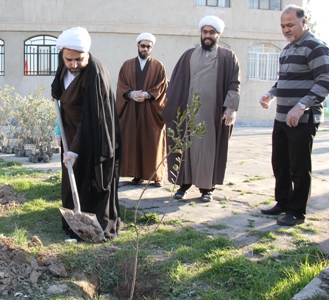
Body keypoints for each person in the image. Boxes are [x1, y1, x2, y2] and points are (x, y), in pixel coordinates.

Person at [259, 5, 329, 226]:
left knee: (299, 166)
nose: (286, 29)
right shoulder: (287, 50)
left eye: (290, 25)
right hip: (281, 118)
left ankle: (297, 212)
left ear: (303, 21)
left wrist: (301, 106)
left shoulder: (316, 47)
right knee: (279, 163)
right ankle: (283, 202)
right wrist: (270, 94)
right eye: (282, 26)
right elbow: (284, 80)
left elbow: (325, 80)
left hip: (302, 119)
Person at [51, 27, 122, 240]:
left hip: (93, 134)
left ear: (87, 54)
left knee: (93, 177)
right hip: (70, 130)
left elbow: (91, 119)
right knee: (72, 174)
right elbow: (59, 91)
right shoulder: (64, 65)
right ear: (62, 54)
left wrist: (74, 149)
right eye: (69, 59)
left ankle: (97, 221)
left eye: (79, 60)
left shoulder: (95, 75)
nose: (73, 64)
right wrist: (59, 130)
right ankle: (74, 216)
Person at [163, 16, 240, 202]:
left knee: (208, 150)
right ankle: (184, 185)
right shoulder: (189, 55)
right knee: (185, 148)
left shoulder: (228, 57)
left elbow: (234, 84)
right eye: (205, 32)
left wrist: (231, 107)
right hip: (189, 114)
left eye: (212, 32)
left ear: (218, 35)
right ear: (201, 33)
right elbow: (177, 83)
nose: (208, 36)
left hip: (212, 114)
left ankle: (207, 189)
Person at [116, 33, 168, 187]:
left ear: (152, 48)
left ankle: (156, 176)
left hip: (150, 111)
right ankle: (136, 175)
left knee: (152, 142)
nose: (145, 49)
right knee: (132, 141)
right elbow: (121, 85)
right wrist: (131, 94)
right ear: (137, 45)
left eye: (148, 46)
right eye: (143, 45)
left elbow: (162, 87)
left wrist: (147, 94)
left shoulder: (159, 66)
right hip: (131, 109)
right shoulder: (127, 65)